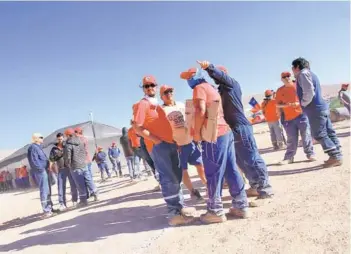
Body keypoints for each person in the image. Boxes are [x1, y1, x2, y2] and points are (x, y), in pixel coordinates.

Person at [180, 67, 249, 224]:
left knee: (212, 172)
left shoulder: (199, 88)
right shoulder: (211, 87)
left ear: (194, 77)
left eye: (188, 78)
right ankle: (241, 204)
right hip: (225, 132)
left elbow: (200, 110)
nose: (188, 82)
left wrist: (196, 133)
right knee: (231, 170)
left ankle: (215, 210)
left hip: (213, 135)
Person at [196, 60, 273, 199]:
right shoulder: (220, 91)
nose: (214, 78)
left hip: (241, 127)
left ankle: (265, 189)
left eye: (217, 75)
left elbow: (220, 76)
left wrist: (209, 68)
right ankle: (255, 186)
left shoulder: (232, 85)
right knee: (241, 161)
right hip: (230, 130)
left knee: (252, 158)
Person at [132, 75, 195, 226]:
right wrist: (156, 140)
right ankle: (174, 213)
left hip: (170, 144)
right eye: (146, 86)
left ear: (156, 86)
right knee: (168, 178)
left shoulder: (157, 105)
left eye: (152, 85)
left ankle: (179, 207)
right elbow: (137, 126)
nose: (150, 88)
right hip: (159, 147)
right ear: (143, 89)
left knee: (176, 176)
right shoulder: (143, 104)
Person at [292, 57, 342, 167]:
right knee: (329, 132)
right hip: (321, 107)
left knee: (319, 134)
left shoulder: (303, 74)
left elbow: (309, 91)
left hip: (314, 109)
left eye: (293, 67)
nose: (292, 70)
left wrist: (304, 103)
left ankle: (335, 156)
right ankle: (338, 154)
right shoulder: (311, 74)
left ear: (297, 67)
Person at [159, 84, 206, 201]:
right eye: (166, 92)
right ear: (161, 96)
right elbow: (163, 130)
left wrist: (195, 134)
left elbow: (190, 119)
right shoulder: (161, 110)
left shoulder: (181, 104)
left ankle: (207, 185)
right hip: (178, 145)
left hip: (190, 141)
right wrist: (173, 143)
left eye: (170, 91)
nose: (169, 94)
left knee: (200, 165)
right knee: (183, 170)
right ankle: (192, 191)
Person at [275, 72, 316, 165]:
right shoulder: (280, 90)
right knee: (291, 139)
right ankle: (289, 158)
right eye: (284, 77)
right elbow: (277, 104)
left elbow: (308, 96)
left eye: (288, 76)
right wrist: (286, 105)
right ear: (281, 79)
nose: (286, 78)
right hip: (288, 118)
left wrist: (299, 104)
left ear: (291, 76)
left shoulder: (298, 86)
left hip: (301, 115)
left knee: (306, 135)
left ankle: (310, 154)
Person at [64, 128, 99, 207]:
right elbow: (84, 152)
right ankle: (96, 194)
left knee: (80, 184)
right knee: (88, 180)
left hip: (75, 166)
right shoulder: (80, 141)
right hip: (84, 164)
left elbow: (68, 157)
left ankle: (83, 200)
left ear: (68, 135)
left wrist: (68, 165)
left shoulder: (68, 144)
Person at [27, 133, 56, 218]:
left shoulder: (38, 147)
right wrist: (41, 169)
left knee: (48, 190)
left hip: (45, 170)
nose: (42, 138)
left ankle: (50, 208)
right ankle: (46, 211)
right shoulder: (33, 148)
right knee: (44, 190)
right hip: (41, 171)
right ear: (36, 139)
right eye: (41, 137)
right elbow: (34, 161)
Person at [49, 133, 78, 210]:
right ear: (57, 139)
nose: (60, 140)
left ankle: (75, 200)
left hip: (70, 168)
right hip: (61, 169)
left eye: (61, 139)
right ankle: (62, 204)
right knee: (61, 187)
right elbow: (51, 159)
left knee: (73, 184)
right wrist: (50, 167)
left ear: (64, 138)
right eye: (59, 139)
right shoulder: (54, 149)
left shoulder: (67, 146)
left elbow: (73, 154)